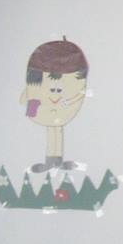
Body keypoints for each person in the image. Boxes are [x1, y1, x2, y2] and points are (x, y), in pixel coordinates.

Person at [21, 37, 89, 173]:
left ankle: (56, 161)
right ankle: (51, 161)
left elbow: (79, 93)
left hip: (58, 113)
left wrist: (68, 101)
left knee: (56, 130)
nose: (55, 91)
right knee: (53, 131)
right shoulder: (35, 91)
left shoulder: (75, 92)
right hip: (46, 111)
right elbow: (25, 97)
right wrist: (30, 103)